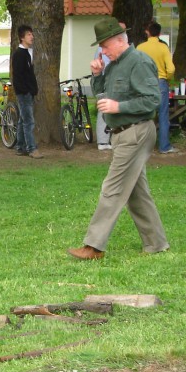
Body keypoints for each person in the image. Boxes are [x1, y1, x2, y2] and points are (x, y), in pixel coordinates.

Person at [67, 16, 169, 261]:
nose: (103, 51)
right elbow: (105, 97)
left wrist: (119, 106)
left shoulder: (139, 62)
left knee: (112, 188)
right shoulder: (114, 64)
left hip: (136, 131)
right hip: (123, 134)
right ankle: (156, 243)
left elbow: (152, 100)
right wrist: (98, 75)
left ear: (119, 40)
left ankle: (94, 246)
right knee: (136, 192)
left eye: (105, 46)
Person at [136, 22, 177, 154]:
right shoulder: (163, 48)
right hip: (160, 82)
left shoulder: (140, 48)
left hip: (143, 83)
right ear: (159, 33)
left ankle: (141, 146)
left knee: (143, 115)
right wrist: (167, 78)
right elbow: (171, 68)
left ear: (147, 32)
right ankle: (164, 146)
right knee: (163, 115)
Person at [11, 25, 42, 158]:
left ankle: (20, 146)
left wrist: (33, 89)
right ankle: (31, 148)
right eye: (29, 34)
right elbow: (18, 76)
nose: (32, 37)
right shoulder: (19, 54)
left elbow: (29, 74)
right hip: (23, 93)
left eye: (32, 34)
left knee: (23, 120)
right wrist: (25, 91)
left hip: (28, 92)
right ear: (22, 38)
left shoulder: (27, 53)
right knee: (29, 121)